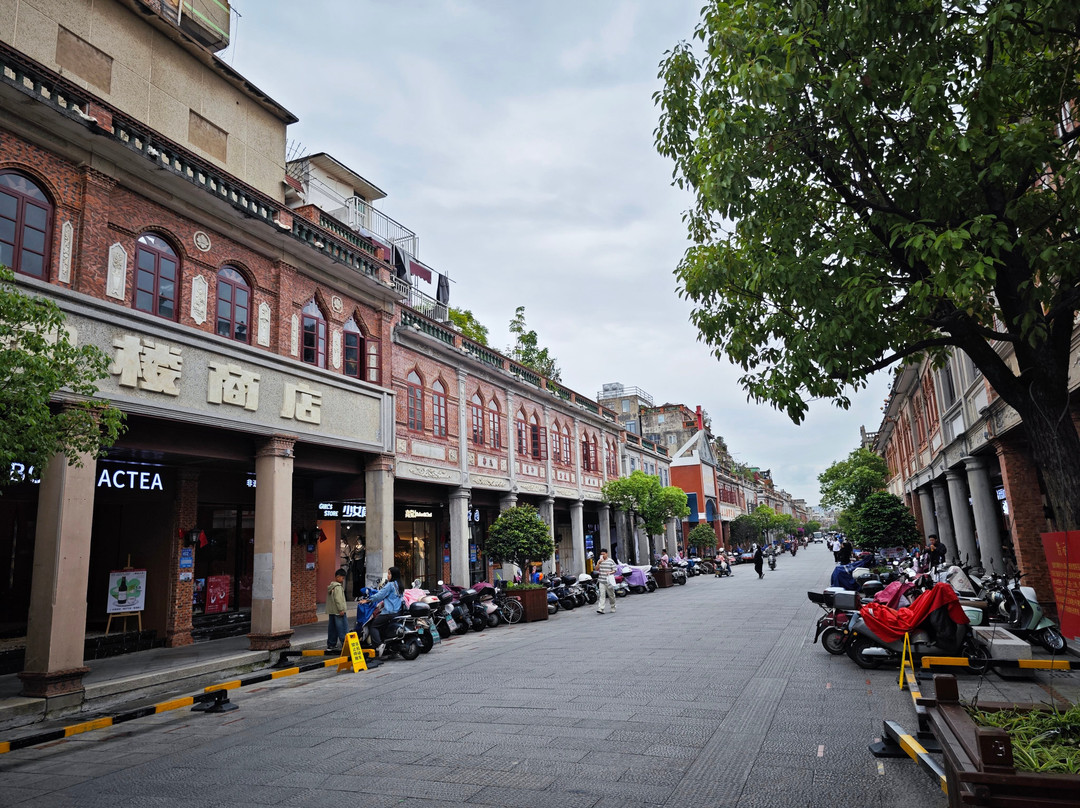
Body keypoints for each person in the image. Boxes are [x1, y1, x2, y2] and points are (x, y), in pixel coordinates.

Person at [359, 565, 402, 656]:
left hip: (389, 612)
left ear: (393, 575)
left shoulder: (390, 585)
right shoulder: (399, 585)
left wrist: (367, 600)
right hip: (397, 612)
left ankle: (379, 645)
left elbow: (380, 595)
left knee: (374, 626)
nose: (388, 576)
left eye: (389, 574)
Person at [326, 567, 348, 652]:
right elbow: (338, 599)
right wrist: (341, 609)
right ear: (338, 577)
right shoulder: (338, 587)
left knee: (332, 628)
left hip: (332, 611)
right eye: (342, 578)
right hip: (338, 611)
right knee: (342, 628)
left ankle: (331, 645)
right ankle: (345, 645)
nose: (343, 580)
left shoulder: (331, 587)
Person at [594, 548, 617, 614]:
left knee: (611, 595)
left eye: (603, 554)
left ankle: (613, 606)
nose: (602, 556)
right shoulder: (599, 561)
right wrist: (599, 563)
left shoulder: (611, 561)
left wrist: (610, 572)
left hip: (609, 581)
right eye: (601, 554)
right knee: (602, 595)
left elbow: (615, 570)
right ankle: (601, 608)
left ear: (607, 554)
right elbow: (596, 569)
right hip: (601, 580)